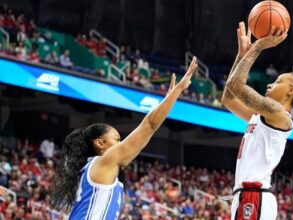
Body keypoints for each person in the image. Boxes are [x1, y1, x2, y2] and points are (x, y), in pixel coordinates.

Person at [51, 57, 198, 219]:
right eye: (117, 139)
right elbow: (148, 126)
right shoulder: (104, 162)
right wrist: (178, 91)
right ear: (100, 143)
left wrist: (166, 101)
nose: (122, 144)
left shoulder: (93, 169)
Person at [221, 22, 293, 220]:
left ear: (292, 90)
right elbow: (228, 98)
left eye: (278, 81)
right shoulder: (264, 117)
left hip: (254, 195)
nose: (270, 84)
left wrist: (258, 47)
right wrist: (241, 57)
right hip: (248, 195)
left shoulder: (279, 114)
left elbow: (235, 86)